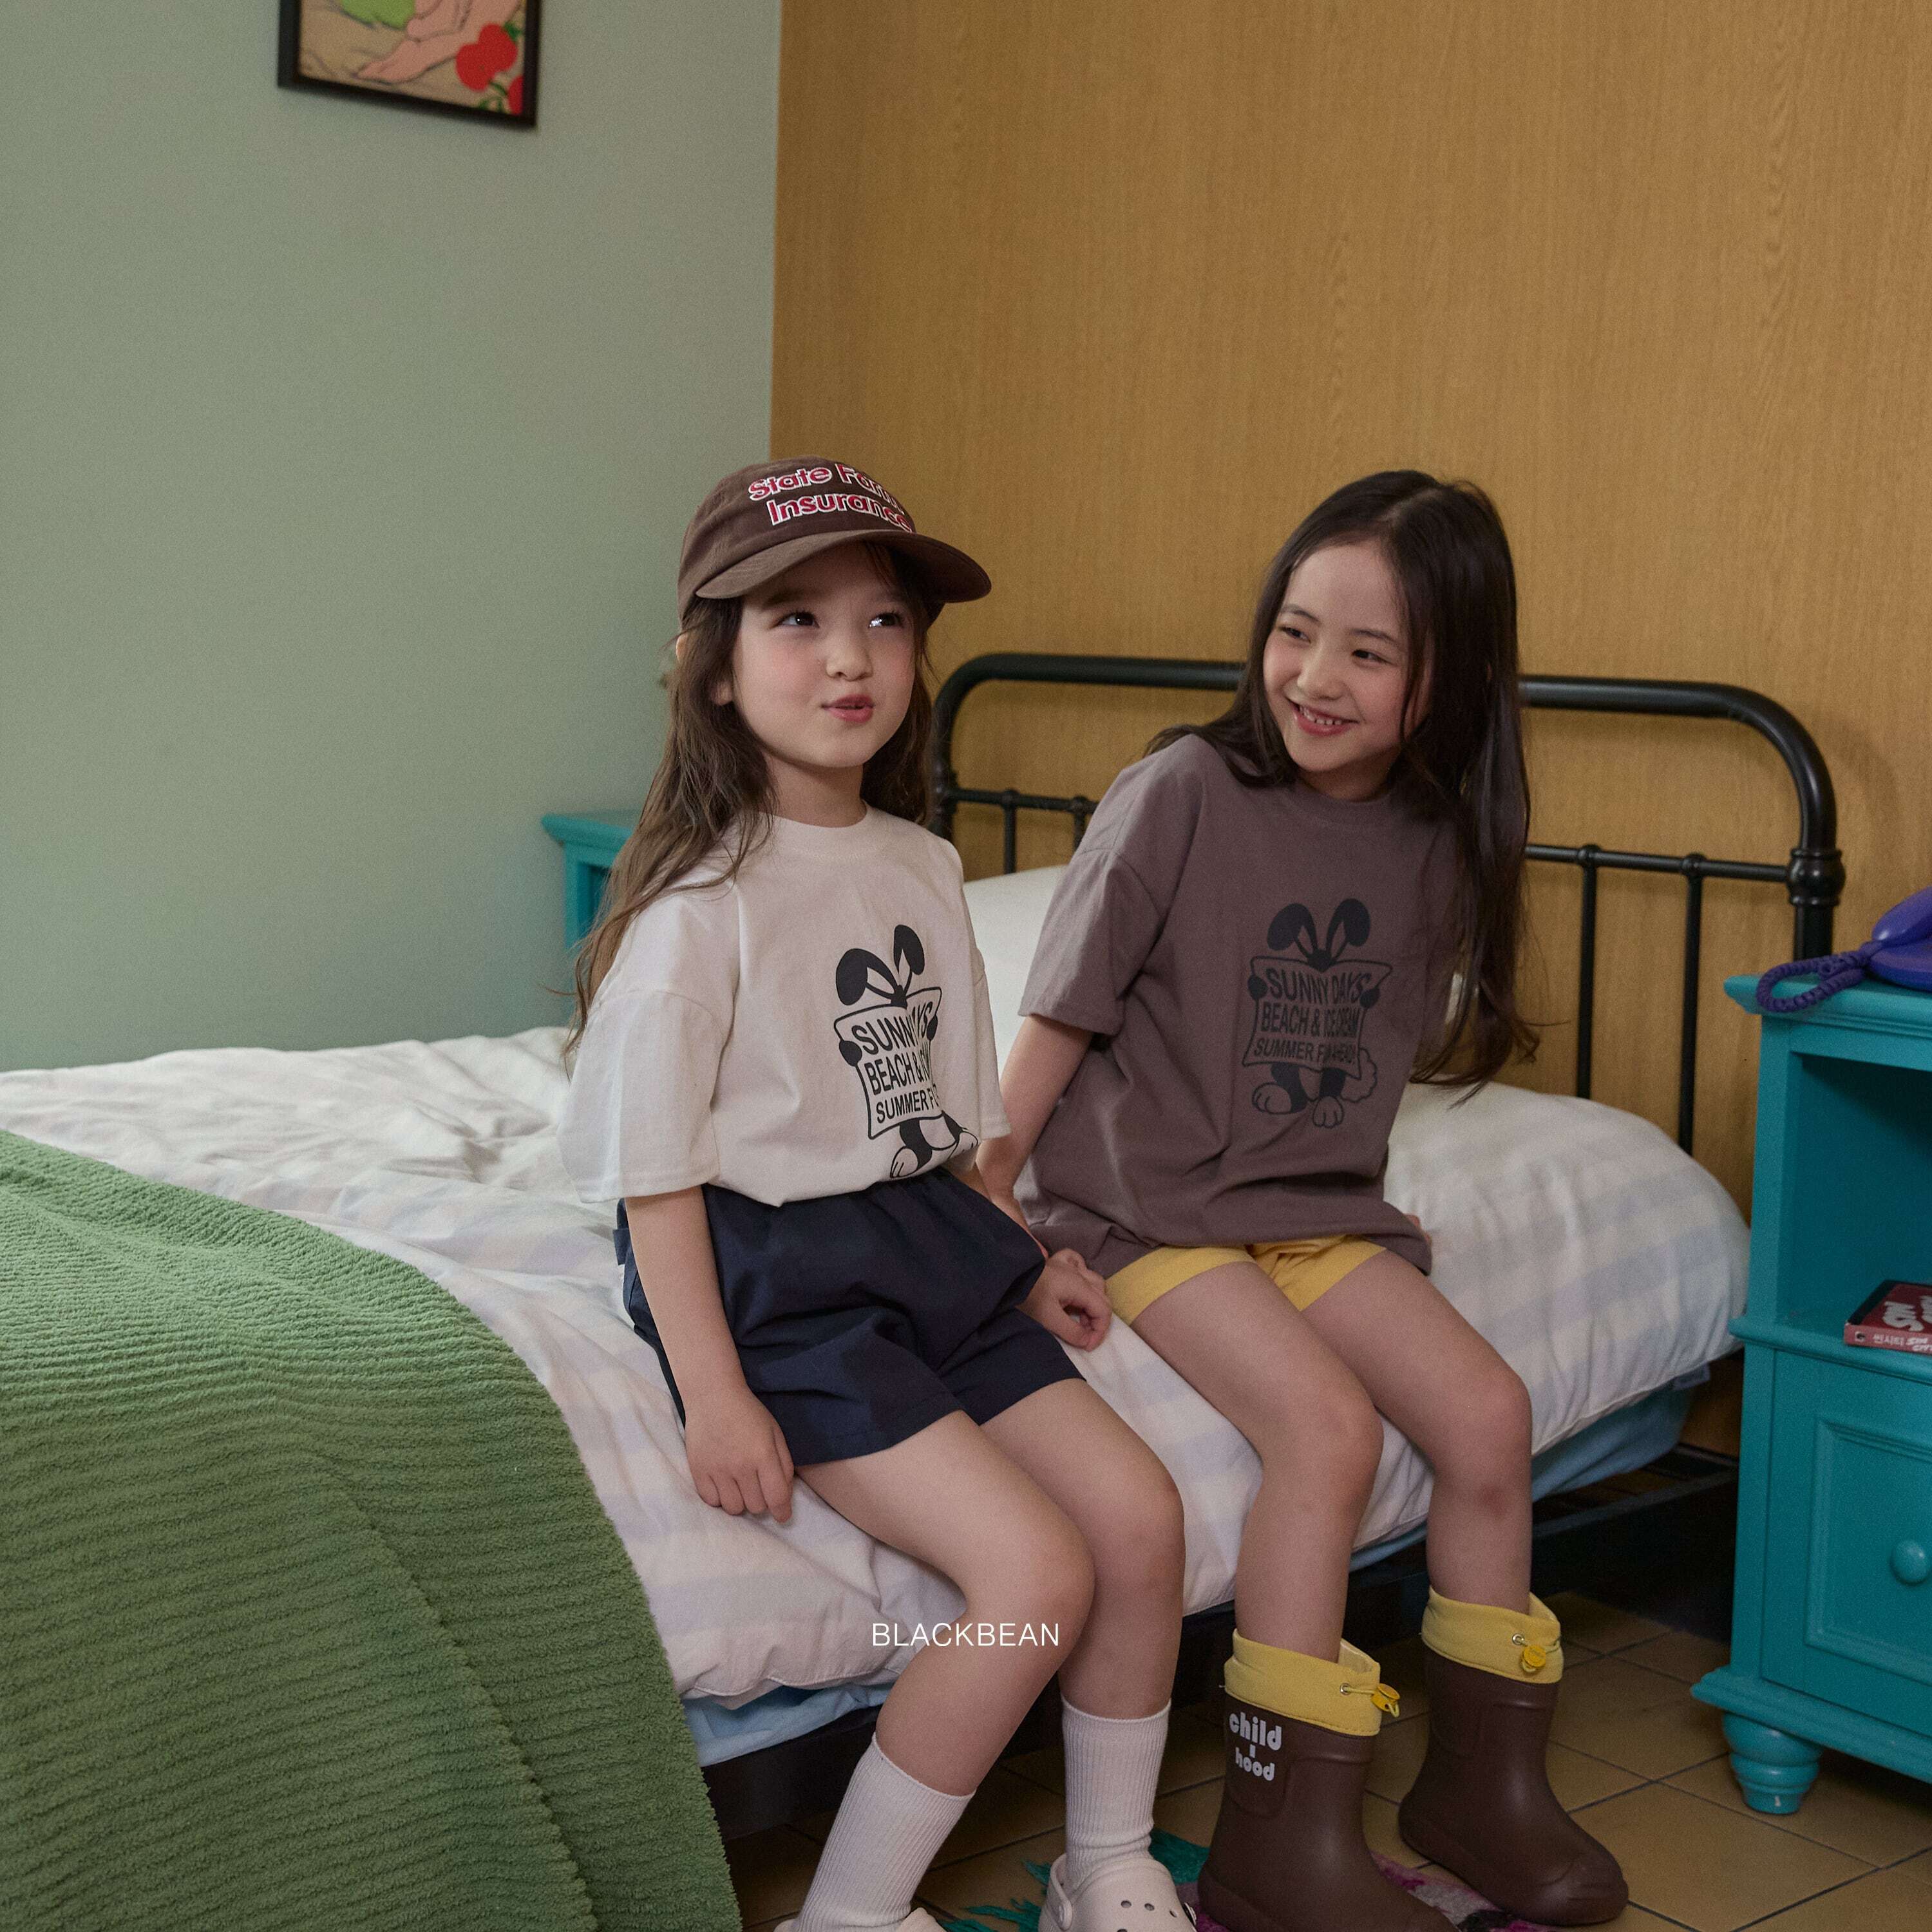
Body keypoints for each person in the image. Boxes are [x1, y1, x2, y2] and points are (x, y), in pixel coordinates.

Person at [976, 472, 1628, 1931]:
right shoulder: (1182, 793)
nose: (1315, 677)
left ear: (1448, 680)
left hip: (1316, 1212)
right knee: (1325, 1429)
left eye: (1368, 652)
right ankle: (1281, 1839)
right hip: (1148, 1208)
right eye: (1295, 631)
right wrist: (994, 1203)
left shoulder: (1437, 840)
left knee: (1489, 1414)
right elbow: (1063, 1009)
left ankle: (1480, 1793)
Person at [557, 460, 1193, 1932]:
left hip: (929, 1246)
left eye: (885, 621)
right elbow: (655, 1181)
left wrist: (1023, 1253)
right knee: (1033, 1573)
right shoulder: (698, 909)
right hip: (789, 1286)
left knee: (1142, 1517)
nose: (850, 657)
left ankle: (1106, 1867)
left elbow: (941, 1131)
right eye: (797, 619)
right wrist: (716, 1395)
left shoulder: (919, 863)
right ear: (714, 667)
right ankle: (849, 1915)